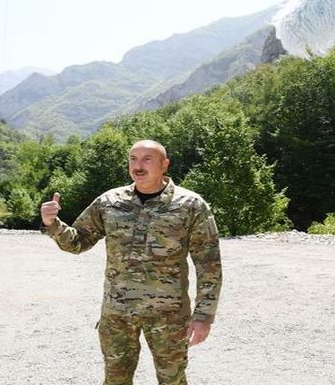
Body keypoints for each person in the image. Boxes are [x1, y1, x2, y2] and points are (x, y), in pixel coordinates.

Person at [41, 139, 222, 385]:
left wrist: (204, 316)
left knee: (173, 380)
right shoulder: (110, 201)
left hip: (168, 315)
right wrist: (52, 224)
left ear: (164, 164)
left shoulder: (190, 205)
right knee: (115, 380)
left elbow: (209, 263)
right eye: (133, 159)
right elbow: (78, 242)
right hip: (117, 313)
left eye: (147, 159)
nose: (138, 166)